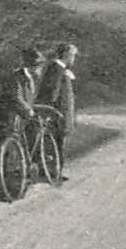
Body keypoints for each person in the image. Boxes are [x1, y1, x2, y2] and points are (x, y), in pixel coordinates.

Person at [0, 47, 44, 169]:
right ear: (33, 66)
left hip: (17, 115)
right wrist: (28, 110)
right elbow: (16, 97)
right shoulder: (17, 78)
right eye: (39, 65)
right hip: (5, 117)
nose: (41, 69)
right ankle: (12, 173)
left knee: (34, 130)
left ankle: (27, 165)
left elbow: (29, 99)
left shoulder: (31, 78)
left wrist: (33, 109)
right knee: (5, 149)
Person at [35, 42, 78, 177]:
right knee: (54, 141)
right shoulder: (55, 68)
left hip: (61, 112)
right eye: (72, 55)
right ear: (66, 55)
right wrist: (50, 109)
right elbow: (52, 91)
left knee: (58, 141)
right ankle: (53, 171)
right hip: (56, 112)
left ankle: (55, 171)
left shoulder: (60, 68)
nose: (73, 59)